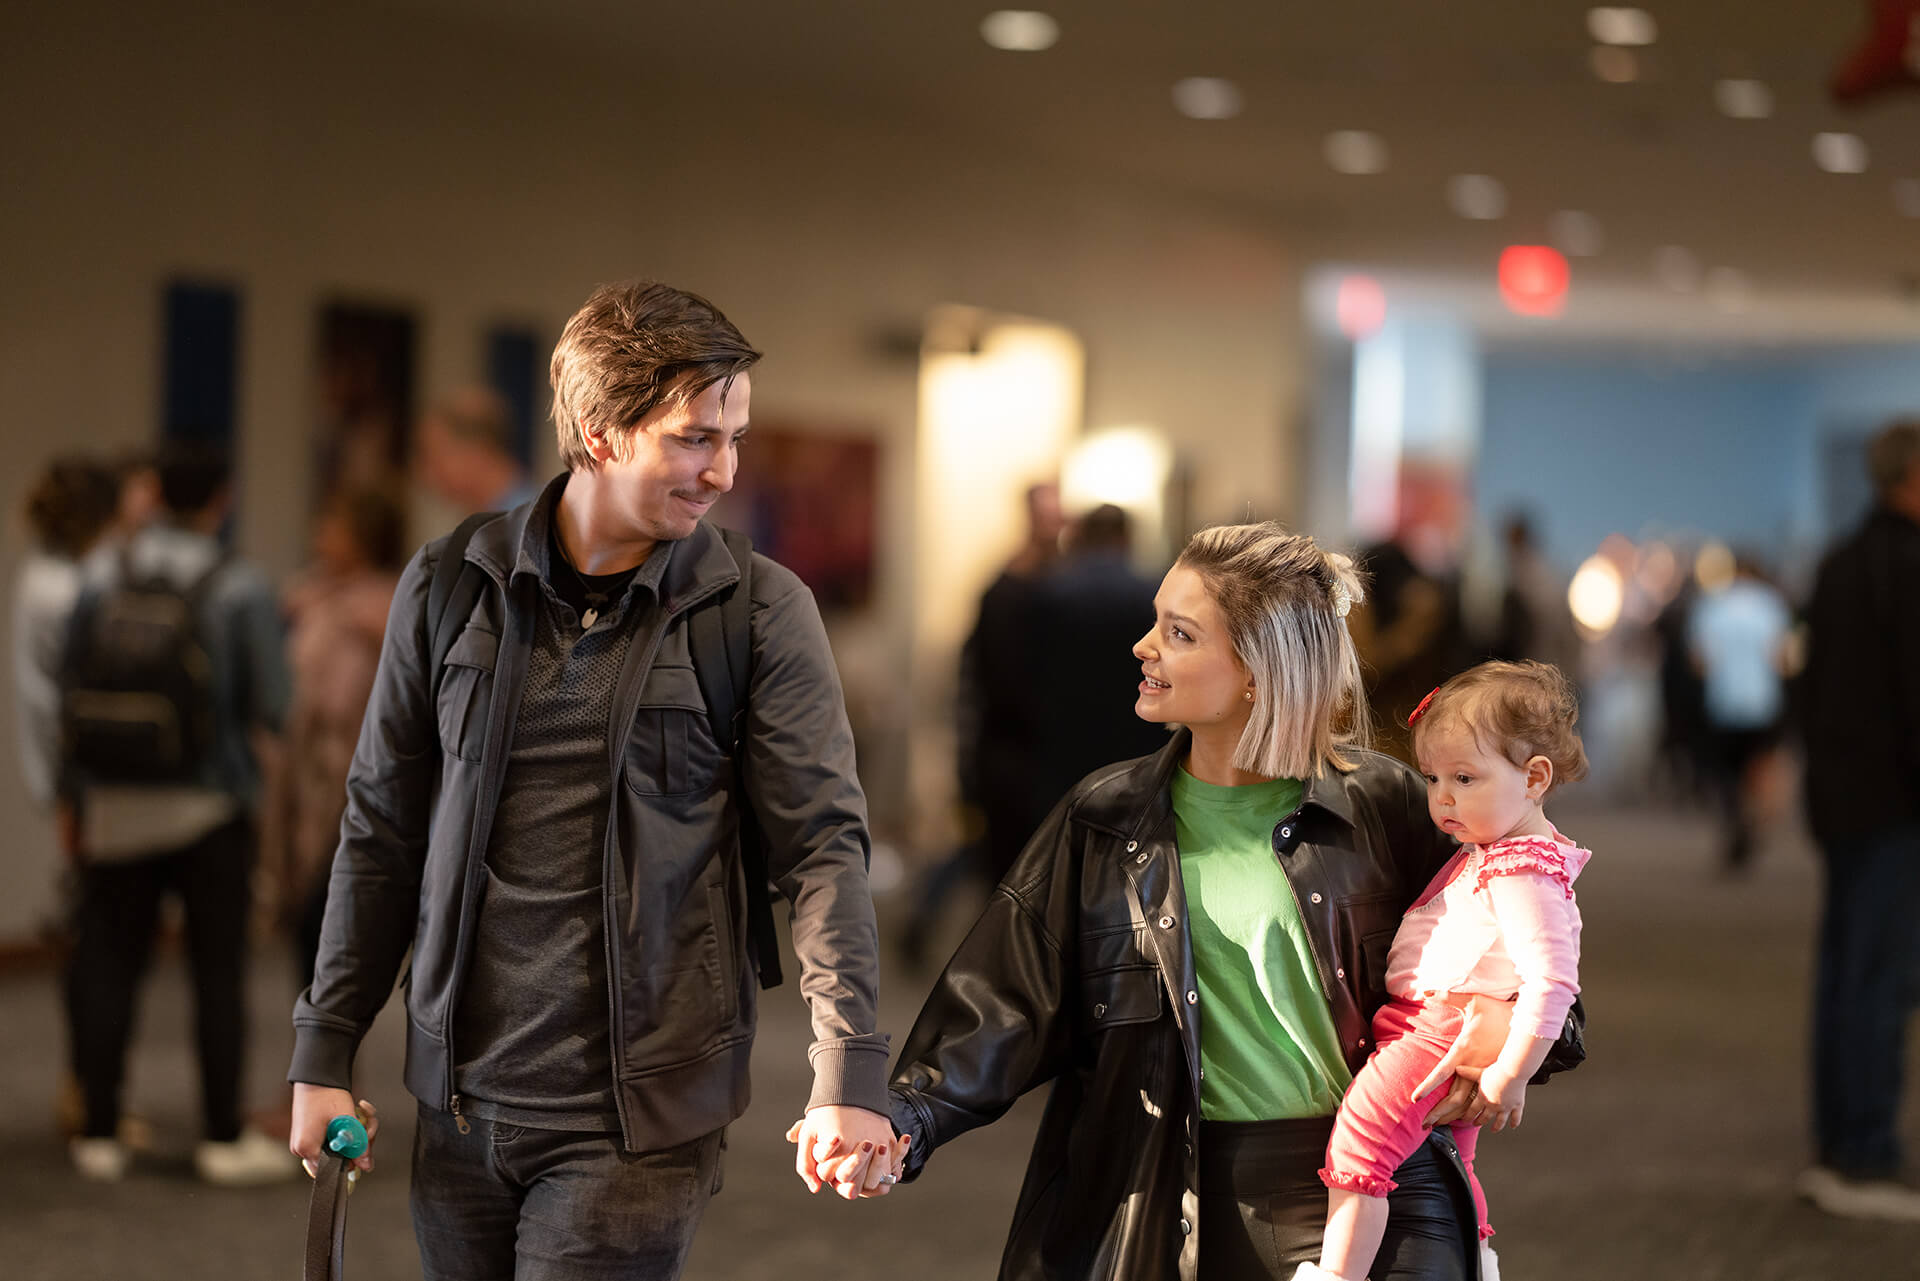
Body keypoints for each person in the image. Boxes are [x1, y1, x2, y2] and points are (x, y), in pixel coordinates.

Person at [288, 280, 893, 1280]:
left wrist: (848, 1065)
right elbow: (382, 827)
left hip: (637, 1121)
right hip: (459, 1103)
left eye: (734, 439)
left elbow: (823, 848)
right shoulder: (448, 584)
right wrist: (325, 1046)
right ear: (602, 433)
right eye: (695, 439)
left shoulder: (754, 609)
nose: (723, 471)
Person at [856, 522, 1583, 1280]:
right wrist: (902, 1118)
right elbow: (1002, 1004)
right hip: (1170, 1195)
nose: (1144, 646)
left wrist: (1506, 1026)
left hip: (1382, 1190)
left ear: (1258, 672)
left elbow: (1544, 965)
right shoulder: (1104, 817)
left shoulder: (1389, 803)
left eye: (1180, 634)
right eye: (1157, 623)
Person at [1299, 661, 1592, 1281]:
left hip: (1436, 1032)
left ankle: (1337, 1275)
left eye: (1464, 777)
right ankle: (1477, 1263)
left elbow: (1553, 982)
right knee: (1456, 1168)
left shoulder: (1522, 870)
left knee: (1360, 1148)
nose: (1443, 798)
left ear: (1535, 778)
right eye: (1433, 778)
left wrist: (1512, 1073)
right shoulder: (1496, 850)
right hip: (1430, 1024)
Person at [58, 445, 295, 1184]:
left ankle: (100, 1132)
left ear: (156, 494)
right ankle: (221, 1137)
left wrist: (78, 794)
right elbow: (274, 703)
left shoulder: (102, 574)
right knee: (216, 972)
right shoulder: (239, 585)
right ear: (222, 498)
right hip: (208, 807)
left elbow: (69, 685)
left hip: (116, 805)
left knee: (109, 964)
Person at [1795, 419, 1920, 1221]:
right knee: (1881, 979)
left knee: (1846, 974)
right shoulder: (1907, 566)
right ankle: (1866, 1152)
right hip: (1896, 804)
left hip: (1845, 801)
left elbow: (1812, 690)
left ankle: (1840, 1140)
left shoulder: (1841, 562)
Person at [268, 488, 405, 991]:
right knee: (306, 903)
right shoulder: (310, 596)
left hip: (358, 769)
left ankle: (331, 1026)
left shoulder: (387, 602)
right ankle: (313, 1022)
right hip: (305, 770)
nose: (322, 538)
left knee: (334, 907)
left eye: (335, 528)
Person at [1687, 554, 1792, 872]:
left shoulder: (1712, 605)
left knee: (1726, 773)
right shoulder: (1771, 605)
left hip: (1723, 703)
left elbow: (1699, 660)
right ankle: (1754, 820)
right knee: (1758, 768)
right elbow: (1783, 657)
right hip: (1763, 702)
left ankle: (1734, 820)